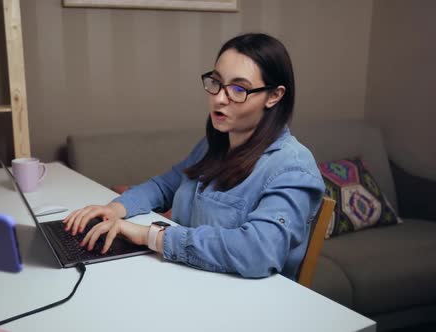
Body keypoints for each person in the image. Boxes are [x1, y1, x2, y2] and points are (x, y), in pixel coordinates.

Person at [63, 33, 325, 280]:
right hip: (187, 278)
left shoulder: (293, 168)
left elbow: (257, 252)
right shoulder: (215, 144)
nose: (219, 99)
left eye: (238, 89)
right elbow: (166, 184)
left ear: (274, 96)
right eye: (216, 82)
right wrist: (115, 209)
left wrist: (148, 236)